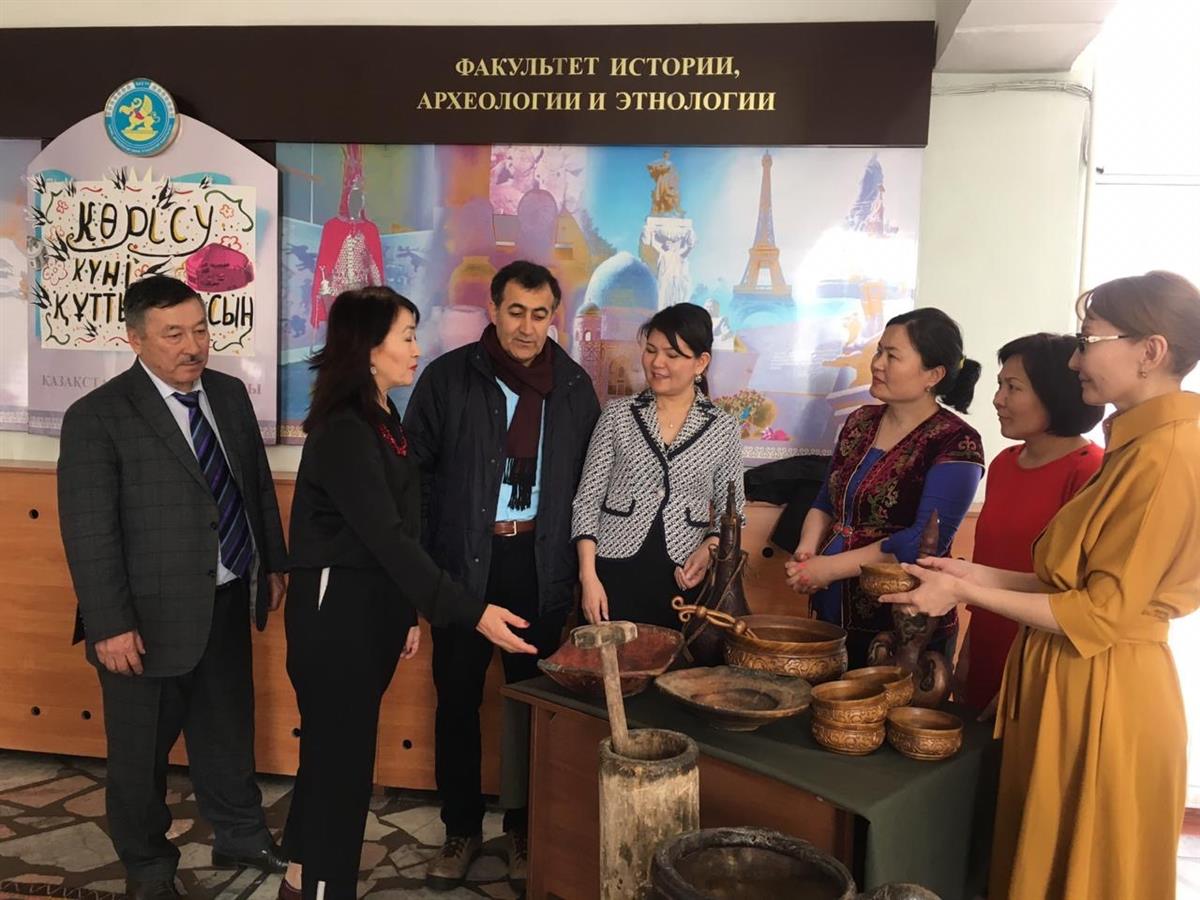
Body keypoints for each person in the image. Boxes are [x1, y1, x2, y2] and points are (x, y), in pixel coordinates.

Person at [880, 271, 1200, 900]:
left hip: (1102, 690)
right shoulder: (1137, 445)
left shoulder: (1167, 455)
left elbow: (1100, 612)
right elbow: (1069, 578)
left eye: (1088, 341)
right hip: (1068, 677)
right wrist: (970, 573)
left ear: (1151, 351)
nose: (1076, 360)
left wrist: (966, 595)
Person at [282, 286, 536, 900]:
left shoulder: (383, 417)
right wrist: (471, 612)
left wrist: (405, 615)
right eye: (406, 336)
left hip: (370, 609)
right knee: (341, 767)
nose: (418, 348)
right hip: (336, 615)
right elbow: (388, 538)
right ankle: (324, 888)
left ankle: (298, 880)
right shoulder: (345, 429)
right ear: (370, 349)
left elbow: (400, 527)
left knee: (334, 757)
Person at [57, 275, 289, 900]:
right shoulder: (97, 417)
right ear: (135, 340)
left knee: (228, 734)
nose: (193, 346)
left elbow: (254, 486)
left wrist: (272, 564)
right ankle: (149, 868)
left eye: (201, 329)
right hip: (145, 623)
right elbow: (89, 532)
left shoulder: (229, 395)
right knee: (140, 758)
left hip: (226, 599)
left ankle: (240, 834)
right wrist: (109, 625)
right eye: (173, 334)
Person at [404, 260, 600, 890]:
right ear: (494, 310)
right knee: (457, 701)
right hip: (462, 563)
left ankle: (524, 829)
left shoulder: (573, 387)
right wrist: (423, 570)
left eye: (540, 315)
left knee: (531, 705)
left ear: (554, 317)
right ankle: (460, 829)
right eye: (516, 312)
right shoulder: (448, 378)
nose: (527, 327)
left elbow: (589, 484)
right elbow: (412, 480)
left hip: (538, 565)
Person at [786, 308, 985, 667]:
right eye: (879, 351)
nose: (877, 364)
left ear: (933, 375)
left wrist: (827, 569)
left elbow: (921, 541)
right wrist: (806, 553)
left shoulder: (956, 442)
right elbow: (825, 500)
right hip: (831, 605)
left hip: (901, 623)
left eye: (892, 356)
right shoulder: (859, 421)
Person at [572, 303, 745, 629]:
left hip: (682, 576)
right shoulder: (617, 415)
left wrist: (709, 548)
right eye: (651, 350)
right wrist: (588, 577)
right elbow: (587, 501)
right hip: (612, 570)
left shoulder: (723, 427)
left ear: (701, 362)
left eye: (672, 354)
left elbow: (733, 512)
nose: (657, 363)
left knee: (672, 660)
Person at [959, 333, 1103, 715]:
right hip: (988, 638)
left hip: (1043, 654)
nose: (998, 399)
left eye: (1013, 387)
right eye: (999, 385)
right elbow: (988, 564)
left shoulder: (1090, 471)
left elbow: (1075, 588)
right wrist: (969, 649)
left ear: (1054, 394)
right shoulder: (1004, 463)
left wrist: (1020, 677)